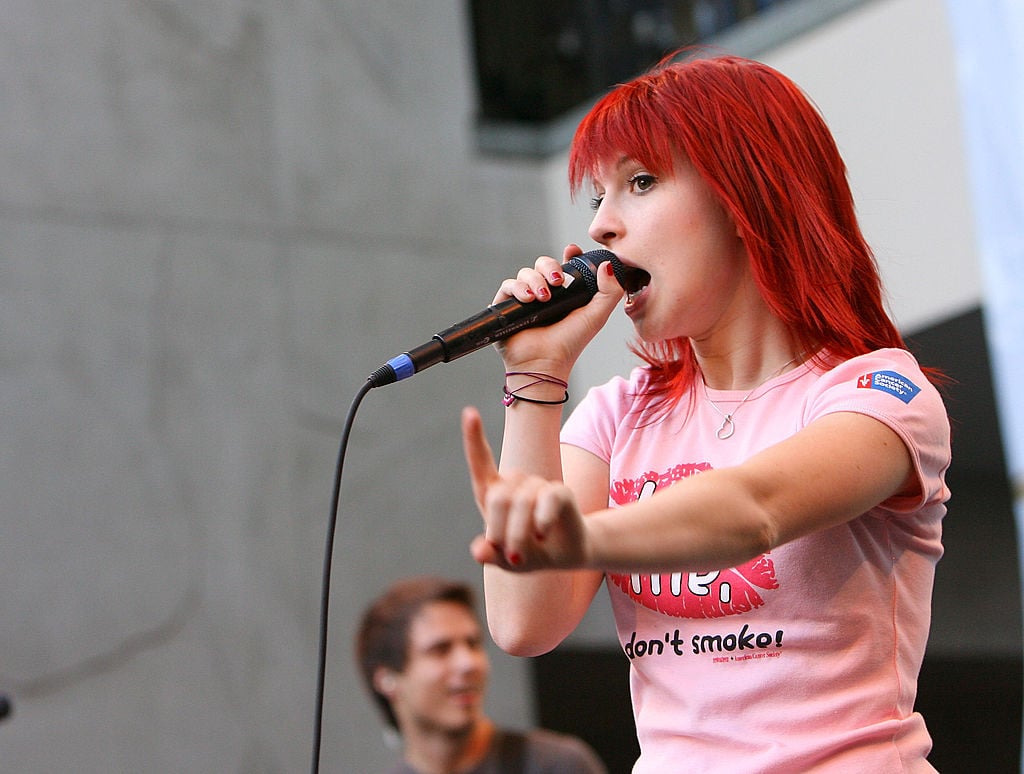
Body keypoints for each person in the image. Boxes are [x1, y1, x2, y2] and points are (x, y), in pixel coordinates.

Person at [459, 52, 951, 772]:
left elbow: (753, 510)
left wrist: (582, 540)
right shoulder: (619, 413)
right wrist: (536, 380)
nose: (602, 227)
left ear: (747, 196)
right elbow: (521, 622)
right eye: (595, 198)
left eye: (640, 182)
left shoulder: (879, 395)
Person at [355, 575, 608, 774]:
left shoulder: (558, 765)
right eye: (440, 650)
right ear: (387, 680)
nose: (468, 663)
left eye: (473, 644)